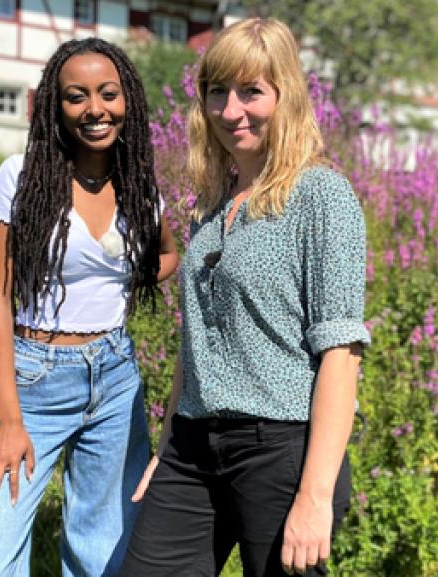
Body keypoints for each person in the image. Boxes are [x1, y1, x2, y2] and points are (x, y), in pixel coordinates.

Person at [119, 17, 368, 577]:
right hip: (192, 449)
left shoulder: (320, 195)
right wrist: (165, 447)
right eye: (217, 92)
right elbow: (197, 340)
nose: (231, 111)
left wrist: (315, 497)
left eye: (251, 91)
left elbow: (341, 352)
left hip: (280, 450)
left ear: (286, 95)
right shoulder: (212, 204)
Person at [0, 37, 179, 577]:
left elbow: (168, 255)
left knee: (104, 550)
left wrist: (130, 271)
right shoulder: (20, 177)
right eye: (76, 97)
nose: (95, 109)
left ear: (129, 101)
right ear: (56, 108)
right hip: (34, 380)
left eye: (108, 94)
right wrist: (9, 419)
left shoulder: (141, 187)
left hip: (115, 376)